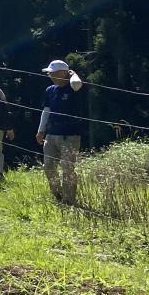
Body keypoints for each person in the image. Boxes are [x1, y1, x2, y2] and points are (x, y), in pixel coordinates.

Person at [36, 59, 85, 204]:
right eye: (49, 73)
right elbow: (46, 111)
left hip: (70, 135)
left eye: (53, 73)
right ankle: (57, 195)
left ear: (64, 73)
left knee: (67, 169)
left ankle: (69, 200)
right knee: (49, 166)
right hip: (51, 134)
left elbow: (76, 83)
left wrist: (73, 73)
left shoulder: (73, 87)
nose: (50, 76)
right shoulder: (50, 90)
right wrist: (41, 130)